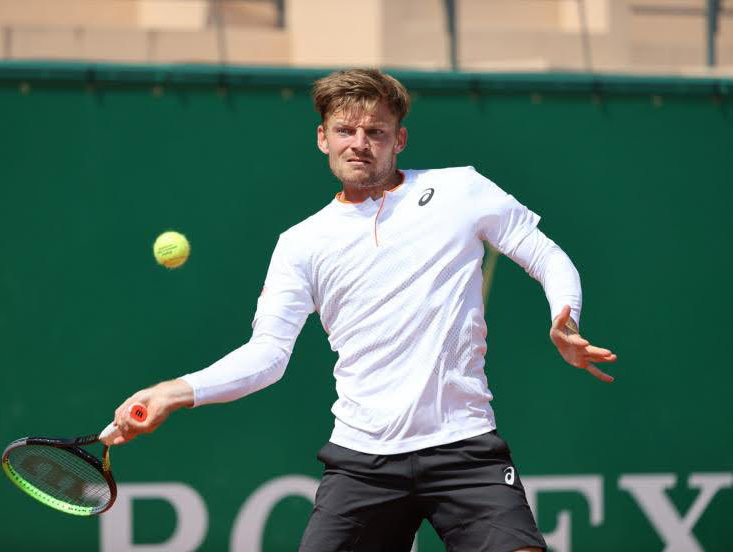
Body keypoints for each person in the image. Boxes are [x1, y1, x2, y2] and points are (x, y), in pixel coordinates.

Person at [111, 68, 617, 551]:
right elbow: (267, 355)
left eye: (376, 131)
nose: (360, 142)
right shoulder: (301, 244)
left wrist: (565, 315)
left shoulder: (460, 190)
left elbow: (544, 254)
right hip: (361, 462)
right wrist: (171, 392)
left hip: (464, 446)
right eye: (345, 130)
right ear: (322, 138)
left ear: (399, 139)